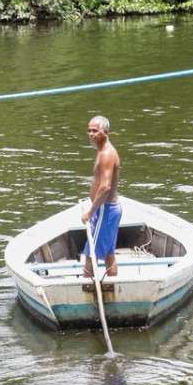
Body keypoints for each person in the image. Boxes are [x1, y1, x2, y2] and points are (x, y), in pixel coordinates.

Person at [82, 115, 122, 278]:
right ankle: (113, 285)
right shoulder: (102, 151)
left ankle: (86, 286)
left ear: (106, 132)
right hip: (106, 209)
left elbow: (105, 187)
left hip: (105, 210)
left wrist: (90, 212)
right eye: (89, 131)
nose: (91, 134)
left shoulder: (106, 154)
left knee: (90, 253)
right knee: (109, 254)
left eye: (95, 131)